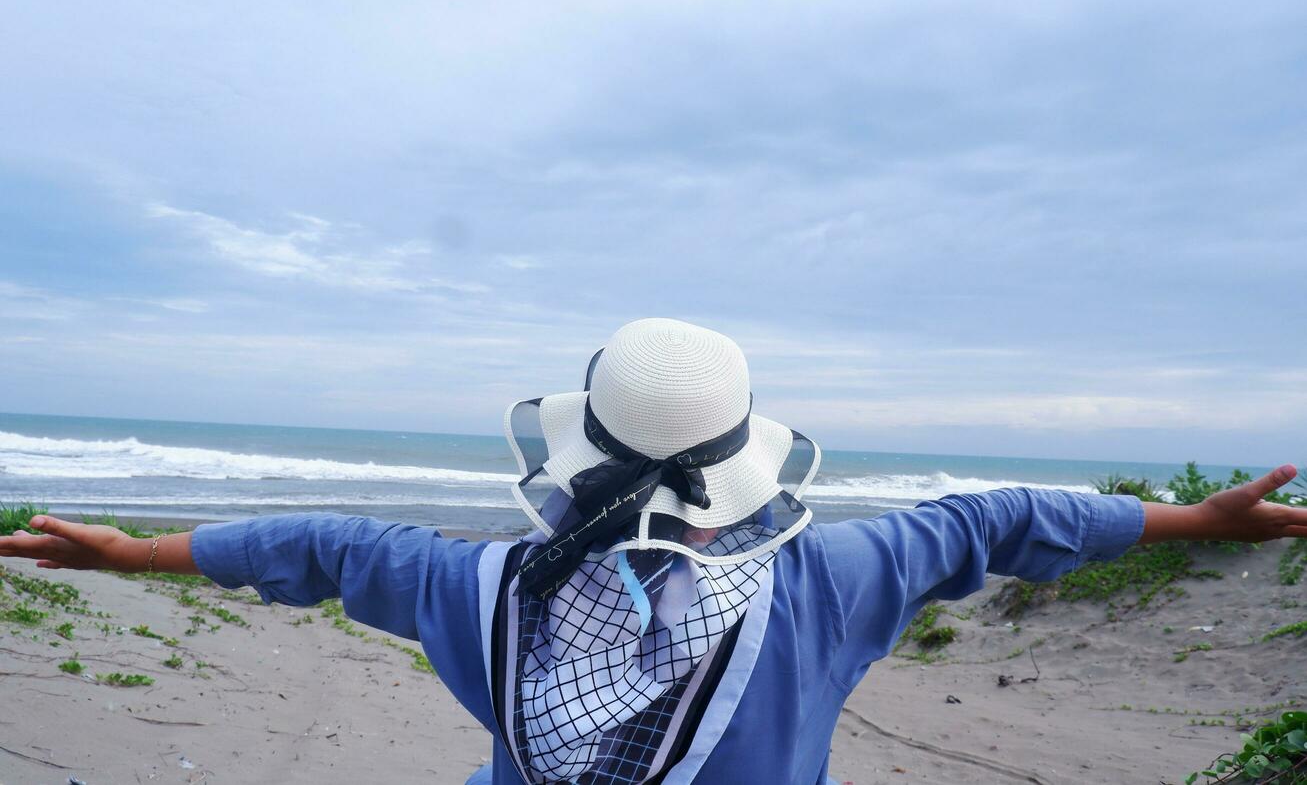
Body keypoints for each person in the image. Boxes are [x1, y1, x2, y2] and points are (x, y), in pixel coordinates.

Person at [2, 318, 1304, 785]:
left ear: (576, 450)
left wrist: (132, 555)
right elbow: (999, 523)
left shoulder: (480, 588)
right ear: (744, 453)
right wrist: (1195, 521)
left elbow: (324, 551)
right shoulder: (833, 586)